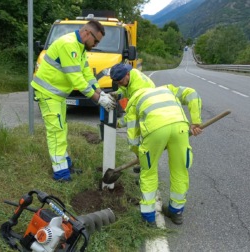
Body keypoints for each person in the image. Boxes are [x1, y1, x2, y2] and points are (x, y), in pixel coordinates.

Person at [109, 64, 203, 225]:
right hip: (180, 127)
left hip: (155, 130)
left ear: (127, 77)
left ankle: (148, 217)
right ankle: (176, 211)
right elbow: (192, 93)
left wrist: (139, 153)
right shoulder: (166, 89)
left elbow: (132, 135)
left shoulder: (134, 101)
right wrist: (195, 122)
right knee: (180, 170)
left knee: (148, 172)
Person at [31, 20, 116, 182]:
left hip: (57, 95)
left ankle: (65, 165)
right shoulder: (68, 45)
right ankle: (61, 174)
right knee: (56, 132)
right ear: (86, 33)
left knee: (61, 129)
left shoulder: (80, 47)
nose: (96, 44)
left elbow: (86, 74)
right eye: (96, 41)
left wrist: (101, 92)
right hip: (48, 94)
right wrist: (98, 100)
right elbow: (77, 80)